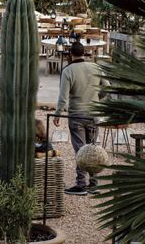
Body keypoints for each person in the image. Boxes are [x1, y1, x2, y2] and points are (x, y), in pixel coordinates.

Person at [53, 41, 108, 196]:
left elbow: (63, 97)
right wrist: (98, 97)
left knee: (80, 150)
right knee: (92, 148)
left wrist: (58, 114)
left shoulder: (68, 71)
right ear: (85, 53)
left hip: (77, 114)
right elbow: (107, 86)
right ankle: (94, 183)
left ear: (71, 54)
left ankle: (81, 184)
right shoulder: (96, 67)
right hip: (94, 114)